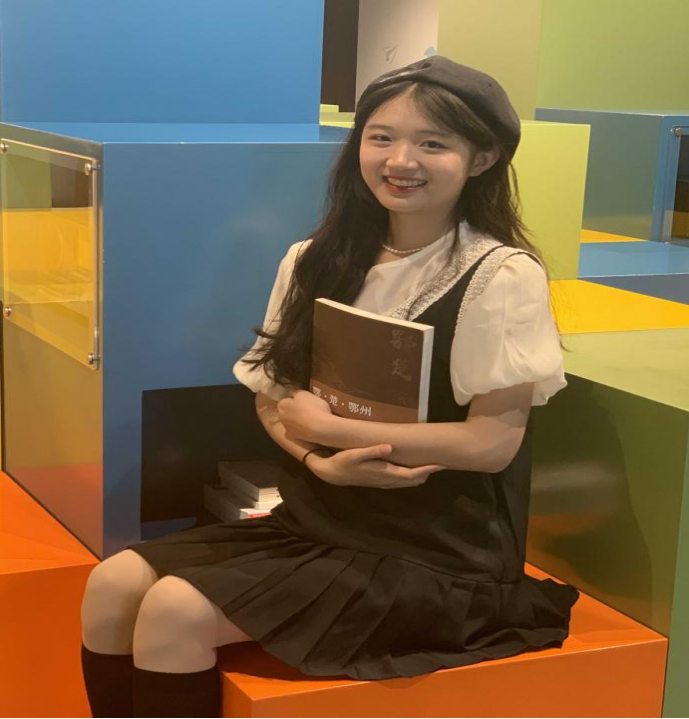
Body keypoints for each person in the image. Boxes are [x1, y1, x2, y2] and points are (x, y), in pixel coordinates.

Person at [80, 56, 579, 719]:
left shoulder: (500, 275)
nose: (400, 160)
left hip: (441, 553)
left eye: (433, 143)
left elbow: (492, 444)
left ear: (482, 157)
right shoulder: (313, 258)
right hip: (319, 519)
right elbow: (271, 393)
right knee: (110, 583)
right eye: (381, 137)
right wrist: (318, 460)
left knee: (176, 610)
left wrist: (334, 431)